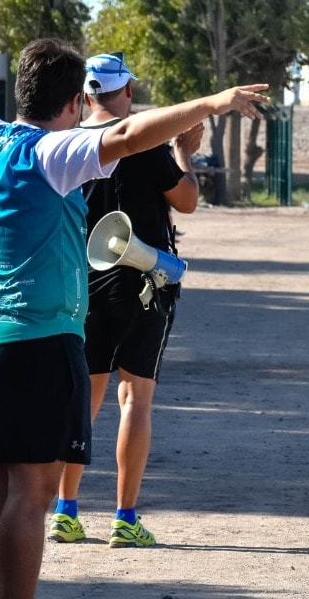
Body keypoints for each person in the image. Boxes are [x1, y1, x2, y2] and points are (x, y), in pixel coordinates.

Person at [0, 38, 268, 599]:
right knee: (31, 494)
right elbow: (128, 136)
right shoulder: (51, 152)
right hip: (38, 340)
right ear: (73, 104)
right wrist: (214, 101)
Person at [47, 53, 203, 549]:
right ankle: (125, 518)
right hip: (144, 282)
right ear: (128, 91)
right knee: (135, 399)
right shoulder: (143, 141)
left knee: (83, 398)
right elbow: (187, 200)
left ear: (84, 96)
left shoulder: (66, 143)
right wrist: (183, 153)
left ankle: (66, 511)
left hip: (82, 283)